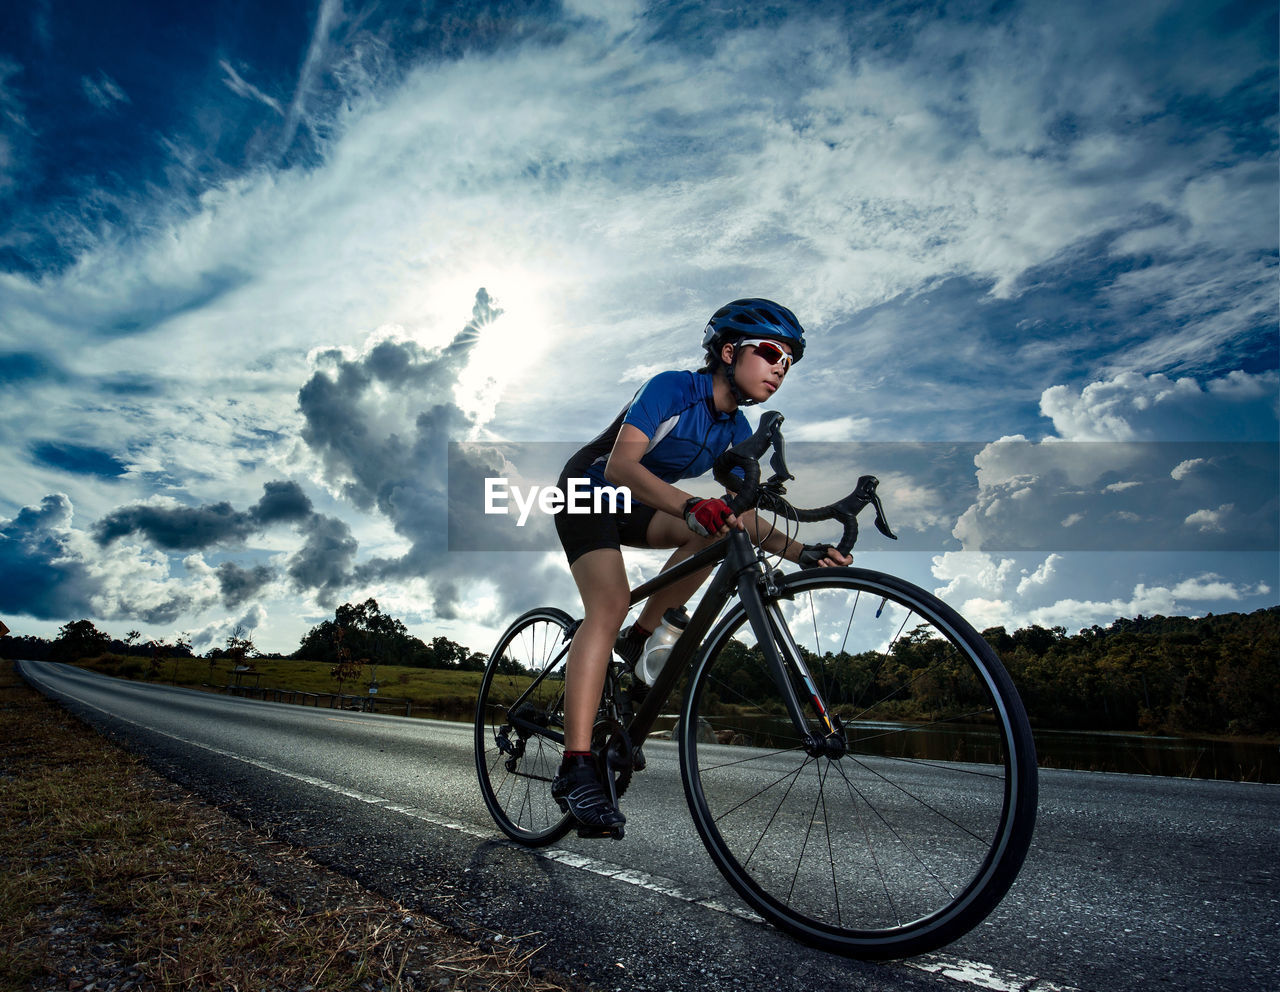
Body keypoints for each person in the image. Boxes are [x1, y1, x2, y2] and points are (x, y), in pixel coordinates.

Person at [550, 298, 852, 833]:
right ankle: (576, 769)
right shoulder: (673, 388)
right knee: (610, 602)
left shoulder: (734, 430)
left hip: (639, 502)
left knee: (723, 528)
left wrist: (804, 552)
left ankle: (640, 638)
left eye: (790, 360)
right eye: (771, 352)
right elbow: (620, 465)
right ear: (729, 351)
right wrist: (691, 504)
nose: (781, 366)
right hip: (586, 492)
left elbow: (746, 516)